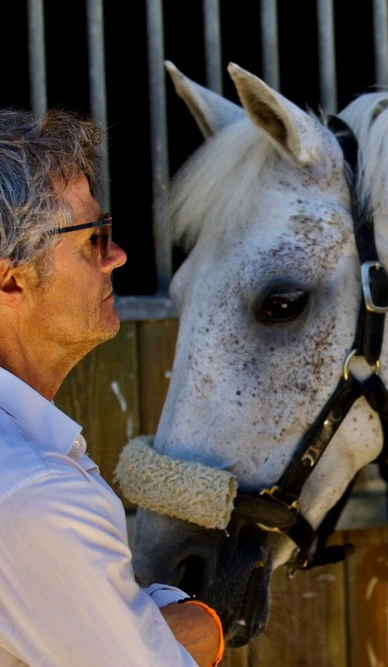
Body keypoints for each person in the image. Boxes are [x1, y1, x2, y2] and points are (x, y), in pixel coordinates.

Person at [0, 109, 224, 666]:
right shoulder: (36, 493)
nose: (118, 255)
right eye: (93, 239)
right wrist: (192, 623)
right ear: (9, 279)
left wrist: (143, 620)